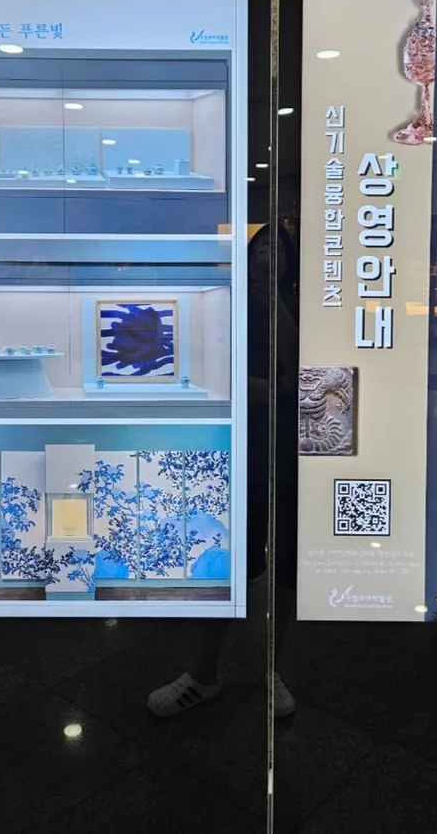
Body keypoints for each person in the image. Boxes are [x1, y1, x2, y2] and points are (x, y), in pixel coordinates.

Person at [147, 223, 299, 718]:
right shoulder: (224, 302)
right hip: (236, 448)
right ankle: (203, 675)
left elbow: (304, 372)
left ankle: (271, 672)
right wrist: (272, 388)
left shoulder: (297, 304)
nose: (270, 256)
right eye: (263, 247)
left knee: (285, 571)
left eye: (279, 248)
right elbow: (210, 373)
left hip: (288, 452)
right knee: (226, 564)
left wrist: (277, 305)